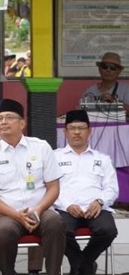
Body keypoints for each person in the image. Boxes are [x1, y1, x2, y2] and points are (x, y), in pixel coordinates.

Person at [0, 99, 65, 275]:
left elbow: (53, 187)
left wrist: (38, 210)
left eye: (9, 117)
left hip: (40, 209)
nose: (3, 122)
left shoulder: (41, 147)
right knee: (2, 232)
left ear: (22, 123)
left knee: (55, 223)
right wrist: (17, 215)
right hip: (7, 212)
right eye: (0, 118)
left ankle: (53, 272)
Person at [54, 109, 119, 275]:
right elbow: (50, 188)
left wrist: (100, 202)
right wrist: (67, 205)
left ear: (89, 131)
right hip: (66, 209)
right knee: (58, 232)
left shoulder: (102, 159)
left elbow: (112, 188)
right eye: (72, 128)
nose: (77, 132)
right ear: (65, 131)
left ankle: (81, 265)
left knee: (109, 230)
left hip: (95, 208)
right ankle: (85, 267)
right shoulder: (54, 158)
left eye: (81, 128)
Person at [0, 126, 43, 275]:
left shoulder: (27, 154)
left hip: (17, 201)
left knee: (36, 215)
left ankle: (34, 268)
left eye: (2, 132)